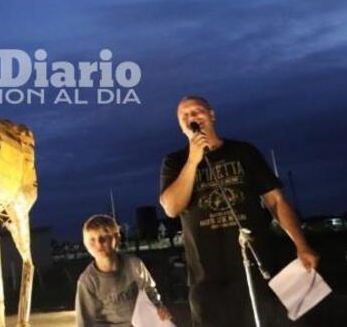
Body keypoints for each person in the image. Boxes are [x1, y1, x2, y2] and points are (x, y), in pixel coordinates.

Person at [159, 96, 319, 327]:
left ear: (212, 115)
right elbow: (172, 207)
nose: (192, 118)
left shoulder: (244, 152)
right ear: (180, 125)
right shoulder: (174, 162)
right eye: (185, 116)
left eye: (197, 111)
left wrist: (301, 245)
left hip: (255, 267)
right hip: (207, 278)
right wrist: (193, 161)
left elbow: (276, 201)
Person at [75, 214, 172, 327]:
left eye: (104, 237)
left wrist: (158, 307)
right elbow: (84, 320)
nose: (99, 243)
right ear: (85, 244)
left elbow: (149, 289)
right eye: (92, 239)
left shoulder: (134, 264)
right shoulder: (87, 281)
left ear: (116, 238)